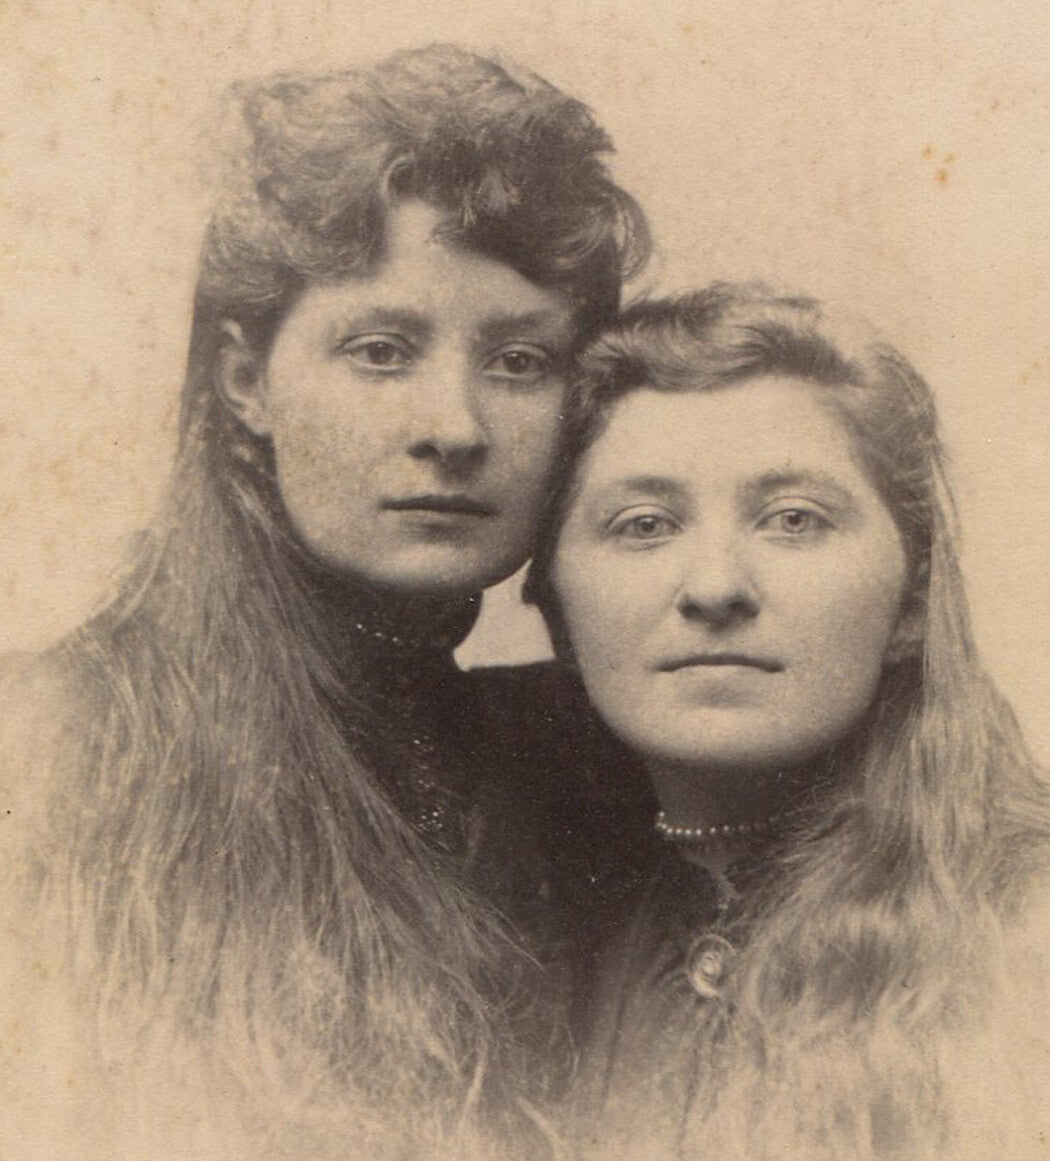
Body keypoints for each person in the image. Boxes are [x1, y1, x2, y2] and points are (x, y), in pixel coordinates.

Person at [0, 45, 647, 1161]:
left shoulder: (570, 758)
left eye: (520, 361)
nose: (454, 425)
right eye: (381, 350)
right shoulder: (56, 748)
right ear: (245, 382)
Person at [526, 283, 1050, 1160]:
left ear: (914, 598)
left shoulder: (1026, 933)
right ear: (556, 614)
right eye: (644, 524)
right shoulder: (557, 943)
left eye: (794, 520)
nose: (715, 587)